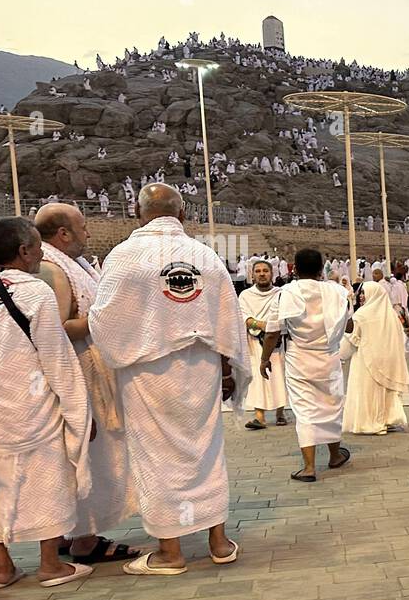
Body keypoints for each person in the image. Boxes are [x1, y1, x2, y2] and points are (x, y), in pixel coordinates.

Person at [89, 184, 247, 575]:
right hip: (202, 367)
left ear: (136, 211)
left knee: (157, 455)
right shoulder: (205, 256)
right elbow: (229, 316)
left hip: (148, 371)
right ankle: (219, 541)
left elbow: (104, 318)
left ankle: (170, 552)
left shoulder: (125, 257)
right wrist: (228, 367)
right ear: (183, 213)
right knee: (206, 451)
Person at [0, 217, 94, 590]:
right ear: (23, 251)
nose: (39, 254)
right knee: (49, 478)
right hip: (32, 406)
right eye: (36, 247)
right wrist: (78, 407)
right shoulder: (35, 291)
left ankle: (1, 568)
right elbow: (55, 356)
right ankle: (50, 564)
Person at [34, 202, 140, 564]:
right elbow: (57, 328)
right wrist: (108, 319)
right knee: (89, 455)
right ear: (63, 233)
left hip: (90, 370)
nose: (88, 234)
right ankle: (84, 538)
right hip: (78, 375)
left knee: (93, 453)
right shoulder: (51, 269)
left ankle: (75, 531)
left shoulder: (69, 263)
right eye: (82, 227)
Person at [261, 248, 353, 480]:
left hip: (299, 360)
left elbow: (272, 332)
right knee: (331, 405)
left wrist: (264, 359)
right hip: (329, 358)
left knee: (305, 411)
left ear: (294, 268)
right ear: (322, 268)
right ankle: (334, 455)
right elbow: (349, 326)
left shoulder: (285, 293)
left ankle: (310, 467)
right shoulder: (337, 292)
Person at [343, 280, 409, 435]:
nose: (361, 296)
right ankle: (388, 419)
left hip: (365, 361)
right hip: (387, 360)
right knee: (385, 392)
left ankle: (370, 422)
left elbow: (352, 338)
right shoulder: (392, 314)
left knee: (368, 393)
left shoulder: (361, 315)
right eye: (360, 293)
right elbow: (401, 338)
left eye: (363, 293)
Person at [237, 258, 288, 429]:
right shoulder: (246, 295)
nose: (262, 274)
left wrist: (273, 328)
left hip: (277, 341)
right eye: (258, 271)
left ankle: (280, 413)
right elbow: (243, 317)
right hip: (255, 341)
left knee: (278, 374)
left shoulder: (281, 293)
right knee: (258, 378)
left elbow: (286, 315)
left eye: (265, 271)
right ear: (252, 275)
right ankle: (260, 416)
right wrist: (262, 325)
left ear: (272, 274)